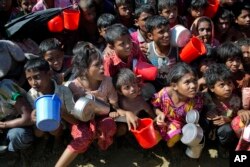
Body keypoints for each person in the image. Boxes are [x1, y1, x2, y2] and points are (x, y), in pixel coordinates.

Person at [55, 42, 117, 167]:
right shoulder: (72, 86)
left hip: (102, 115)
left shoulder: (107, 81)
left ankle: (101, 147)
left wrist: (115, 110)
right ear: (84, 69)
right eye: (97, 65)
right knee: (83, 136)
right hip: (81, 120)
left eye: (102, 63)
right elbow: (68, 112)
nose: (102, 67)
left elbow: (114, 105)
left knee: (108, 125)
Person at [24, 58, 77, 147]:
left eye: (37, 77)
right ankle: (46, 138)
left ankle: (58, 139)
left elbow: (75, 121)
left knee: (54, 128)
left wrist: (62, 113)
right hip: (42, 123)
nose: (33, 83)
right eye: (29, 79)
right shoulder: (31, 94)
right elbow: (32, 117)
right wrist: (33, 115)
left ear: (49, 74)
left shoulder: (64, 91)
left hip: (61, 123)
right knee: (38, 133)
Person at [152, 62, 203, 149]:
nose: (193, 85)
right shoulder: (164, 93)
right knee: (153, 138)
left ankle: (170, 146)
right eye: (187, 82)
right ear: (174, 86)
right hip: (162, 121)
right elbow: (155, 106)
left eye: (194, 81)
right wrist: (159, 114)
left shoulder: (196, 101)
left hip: (178, 126)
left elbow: (191, 121)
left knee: (173, 137)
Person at [0, 40, 34, 165]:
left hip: (17, 124)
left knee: (18, 135)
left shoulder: (5, 90)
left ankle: (16, 153)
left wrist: (4, 125)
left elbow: (28, 117)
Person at [203, 63, 240, 158]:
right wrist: (206, 113)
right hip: (209, 129)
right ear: (211, 88)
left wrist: (228, 119)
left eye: (229, 83)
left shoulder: (235, 100)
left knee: (227, 130)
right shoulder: (205, 97)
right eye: (222, 85)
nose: (227, 88)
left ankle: (222, 147)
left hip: (223, 131)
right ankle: (203, 144)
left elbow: (234, 116)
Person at [111, 68, 155, 136]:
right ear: (120, 91)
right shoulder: (119, 99)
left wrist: (155, 122)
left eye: (134, 83)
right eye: (127, 87)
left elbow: (150, 112)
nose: (132, 89)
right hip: (123, 123)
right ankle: (119, 141)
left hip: (135, 123)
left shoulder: (141, 101)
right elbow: (116, 108)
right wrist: (113, 113)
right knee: (121, 129)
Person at [145, 15, 179, 90]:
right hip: (155, 90)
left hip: (174, 89)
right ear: (150, 36)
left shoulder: (177, 49)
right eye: (161, 32)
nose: (166, 35)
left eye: (168, 30)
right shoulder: (146, 50)